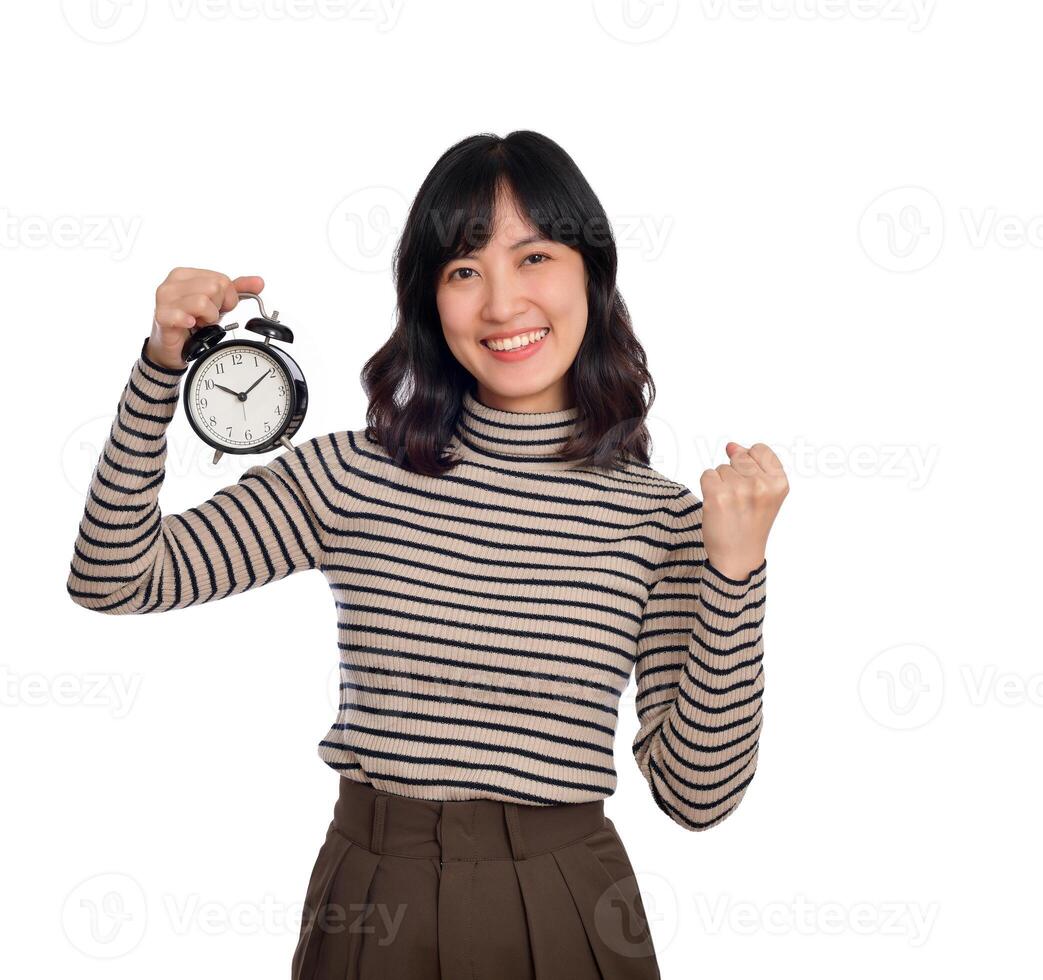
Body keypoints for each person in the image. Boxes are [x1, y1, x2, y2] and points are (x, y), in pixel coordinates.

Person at [65, 130, 788, 980]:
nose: (502, 304)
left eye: (534, 257)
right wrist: (161, 368)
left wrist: (735, 574)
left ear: (591, 272)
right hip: (371, 899)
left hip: (565, 903)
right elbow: (114, 576)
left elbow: (697, 797)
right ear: (430, 301)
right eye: (464, 270)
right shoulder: (356, 473)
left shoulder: (661, 521)